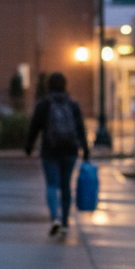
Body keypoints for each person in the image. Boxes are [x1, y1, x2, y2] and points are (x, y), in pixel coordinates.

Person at [24, 72, 90, 237]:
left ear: (49, 86)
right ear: (65, 85)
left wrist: (29, 146)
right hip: (70, 151)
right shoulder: (73, 105)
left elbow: (34, 127)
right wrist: (85, 148)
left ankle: (55, 218)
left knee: (52, 185)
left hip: (50, 150)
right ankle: (65, 222)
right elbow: (80, 128)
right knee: (66, 185)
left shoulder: (43, 105)